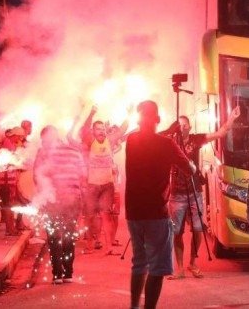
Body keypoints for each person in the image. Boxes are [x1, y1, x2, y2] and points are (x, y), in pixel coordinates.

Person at [125, 100, 195, 309]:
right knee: (157, 268)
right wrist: (190, 163)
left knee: (139, 263)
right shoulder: (167, 144)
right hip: (156, 212)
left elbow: (149, 139)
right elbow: (189, 169)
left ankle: (134, 306)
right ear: (157, 118)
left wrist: (167, 132)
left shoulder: (131, 140)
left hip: (133, 212)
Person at [166, 106, 240, 280]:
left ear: (190, 127)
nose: (182, 128)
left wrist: (231, 119)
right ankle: (180, 268)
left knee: (198, 229)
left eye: (185, 125)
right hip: (176, 193)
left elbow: (220, 133)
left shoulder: (195, 139)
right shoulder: (169, 141)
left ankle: (193, 263)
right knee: (177, 232)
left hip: (194, 190)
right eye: (179, 125)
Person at [33, 126, 87, 284]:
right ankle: (68, 273)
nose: (43, 143)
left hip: (53, 199)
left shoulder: (44, 153)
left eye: (44, 140)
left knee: (54, 235)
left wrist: (41, 196)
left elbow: (37, 176)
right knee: (69, 234)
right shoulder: (74, 151)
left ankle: (57, 274)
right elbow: (83, 176)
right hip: (73, 198)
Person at [80, 105, 129, 254]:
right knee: (89, 216)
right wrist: (92, 113)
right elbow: (84, 128)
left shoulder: (110, 140)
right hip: (91, 185)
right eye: (98, 129)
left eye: (102, 129)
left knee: (106, 216)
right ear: (93, 132)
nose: (101, 131)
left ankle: (108, 248)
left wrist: (130, 112)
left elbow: (122, 129)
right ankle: (89, 245)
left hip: (107, 185)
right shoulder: (89, 141)